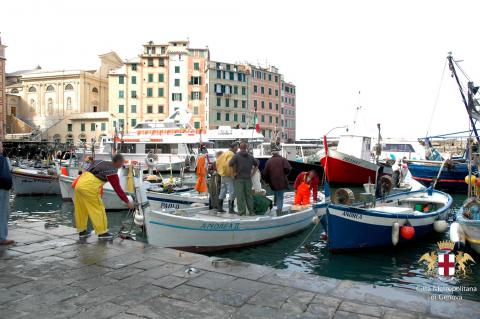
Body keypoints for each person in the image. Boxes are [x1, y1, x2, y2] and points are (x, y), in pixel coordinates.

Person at [73, 154, 134, 239]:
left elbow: (88, 169)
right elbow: (117, 188)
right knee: (98, 209)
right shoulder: (112, 172)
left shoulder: (100, 161)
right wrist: (127, 201)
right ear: (118, 162)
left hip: (79, 184)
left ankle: (82, 231)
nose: (122, 165)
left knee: (81, 209)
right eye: (122, 162)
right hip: (89, 187)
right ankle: (102, 233)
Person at [229, 142, 258, 215]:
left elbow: (230, 164)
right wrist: (253, 173)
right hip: (248, 178)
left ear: (239, 148)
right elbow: (256, 165)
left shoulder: (236, 156)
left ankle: (242, 212)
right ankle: (251, 212)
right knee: (249, 195)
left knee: (240, 196)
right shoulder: (250, 156)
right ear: (246, 147)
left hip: (238, 179)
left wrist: (232, 174)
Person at [262, 145, 291, 214]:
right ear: (278, 152)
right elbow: (288, 169)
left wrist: (266, 181)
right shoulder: (283, 159)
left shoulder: (269, 161)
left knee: (276, 192)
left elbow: (265, 173)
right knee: (280, 196)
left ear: (272, 153)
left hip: (272, 182)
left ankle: (275, 205)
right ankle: (279, 211)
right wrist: (285, 174)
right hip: (281, 181)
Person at [216, 142, 239, 213]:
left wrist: (221, 172)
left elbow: (217, 162)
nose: (237, 149)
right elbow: (229, 164)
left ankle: (220, 208)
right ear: (234, 147)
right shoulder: (231, 154)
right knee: (232, 191)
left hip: (222, 175)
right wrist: (232, 174)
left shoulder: (224, 153)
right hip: (229, 175)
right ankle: (231, 209)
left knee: (223, 191)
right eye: (237, 147)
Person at [0, 141, 13, 245]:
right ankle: (2, 237)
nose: (2, 148)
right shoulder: (2, 159)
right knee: (3, 213)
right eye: (1, 146)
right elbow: (5, 177)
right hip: (2, 189)